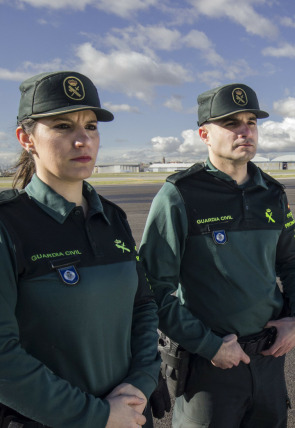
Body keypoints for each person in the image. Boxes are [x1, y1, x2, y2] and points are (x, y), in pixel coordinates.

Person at [0, 70, 160, 428]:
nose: (82, 140)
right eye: (62, 126)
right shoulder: (9, 225)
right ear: (26, 138)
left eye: (90, 126)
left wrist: (141, 383)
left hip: (131, 414)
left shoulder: (113, 219)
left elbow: (144, 306)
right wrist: (98, 415)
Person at [139, 83, 295, 428]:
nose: (245, 131)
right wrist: (208, 345)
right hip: (210, 367)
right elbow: (151, 286)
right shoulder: (179, 195)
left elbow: (291, 262)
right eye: (231, 123)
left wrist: (294, 320)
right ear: (204, 134)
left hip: (269, 360)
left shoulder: (272, 193)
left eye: (251, 121)